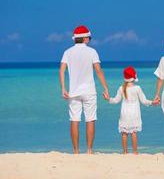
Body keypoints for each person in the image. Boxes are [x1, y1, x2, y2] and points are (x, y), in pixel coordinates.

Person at [59, 25, 109, 154]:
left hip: (73, 91)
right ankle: (89, 150)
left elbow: (62, 70)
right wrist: (105, 87)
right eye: (89, 37)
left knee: (74, 120)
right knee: (90, 119)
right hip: (89, 91)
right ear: (85, 38)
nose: (90, 40)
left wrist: (63, 88)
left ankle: (76, 151)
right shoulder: (92, 52)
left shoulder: (67, 52)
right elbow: (98, 71)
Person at [106, 66, 158, 154]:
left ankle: (125, 152)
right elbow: (144, 101)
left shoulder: (121, 88)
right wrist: (153, 102)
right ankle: (135, 152)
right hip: (135, 113)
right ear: (134, 77)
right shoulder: (137, 88)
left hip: (124, 113)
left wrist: (108, 99)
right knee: (134, 132)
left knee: (124, 133)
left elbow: (115, 100)